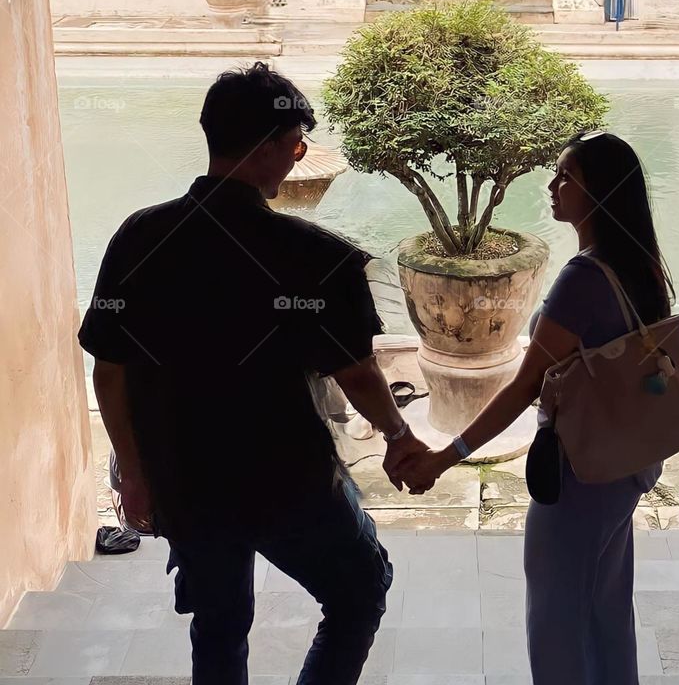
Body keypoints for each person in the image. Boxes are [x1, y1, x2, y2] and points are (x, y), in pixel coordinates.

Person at [79, 61, 428, 685]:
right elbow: (356, 371)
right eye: (296, 146)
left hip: (182, 482)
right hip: (288, 482)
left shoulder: (137, 238)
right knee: (359, 590)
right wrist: (400, 437)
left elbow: (110, 372)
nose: (298, 159)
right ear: (268, 151)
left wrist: (134, 477)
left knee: (217, 621)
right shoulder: (316, 257)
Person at [398, 130, 674, 685]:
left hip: (581, 472)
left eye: (567, 177)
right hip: (627, 463)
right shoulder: (641, 264)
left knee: (555, 617)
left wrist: (444, 457)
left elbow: (524, 385)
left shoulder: (582, 279)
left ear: (599, 194)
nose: (553, 186)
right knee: (605, 605)